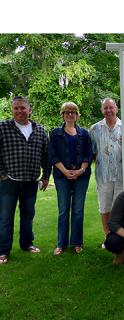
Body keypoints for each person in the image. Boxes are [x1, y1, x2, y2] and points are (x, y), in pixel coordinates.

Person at [0, 96, 51, 265]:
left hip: (30, 180)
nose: (20, 111)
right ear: (12, 110)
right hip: (9, 181)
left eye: (23, 108)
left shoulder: (40, 130)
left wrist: (45, 176)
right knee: (6, 217)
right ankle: (3, 251)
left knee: (28, 215)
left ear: (30, 110)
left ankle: (27, 244)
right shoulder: (3, 128)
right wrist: (2, 173)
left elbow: (46, 156)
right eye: (16, 108)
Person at [48, 102, 92, 256]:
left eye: (73, 112)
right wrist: (65, 171)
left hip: (81, 176)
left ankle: (77, 242)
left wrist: (81, 170)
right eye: (67, 112)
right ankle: (61, 244)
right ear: (63, 114)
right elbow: (52, 155)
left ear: (77, 115)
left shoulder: (84, 133)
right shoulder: (55, 133)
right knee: (63, 210)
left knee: (78, 211)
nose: (70, 114)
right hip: (62, 176)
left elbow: (89, 154)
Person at [89, 98, 124, 245]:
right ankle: (108, 237)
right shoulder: (94, 129)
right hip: (104, 175)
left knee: (119, 208)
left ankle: (120, 236)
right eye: (105, 108)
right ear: (102, 110)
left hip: (122, 175)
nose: (108, 110)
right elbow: (93, 152)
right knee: (105, 207)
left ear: (117, 109)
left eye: (111, 107)